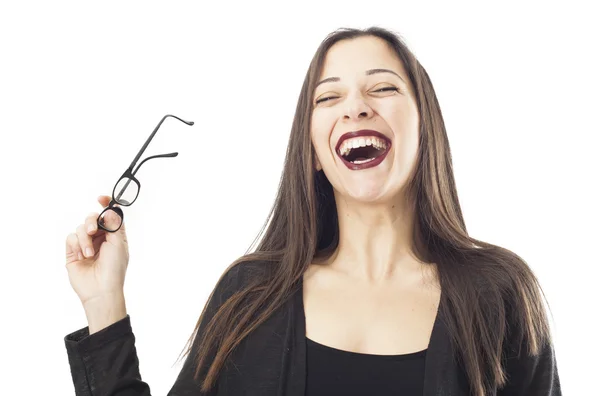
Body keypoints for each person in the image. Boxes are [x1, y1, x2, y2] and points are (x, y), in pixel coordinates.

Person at [63, 26, 561, 396]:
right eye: (329, 97)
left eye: (383, 88)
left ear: (424, 127)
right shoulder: (251, 298)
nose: (356, 107)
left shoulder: (500, 296)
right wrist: (104, 302)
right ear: (315, 153)